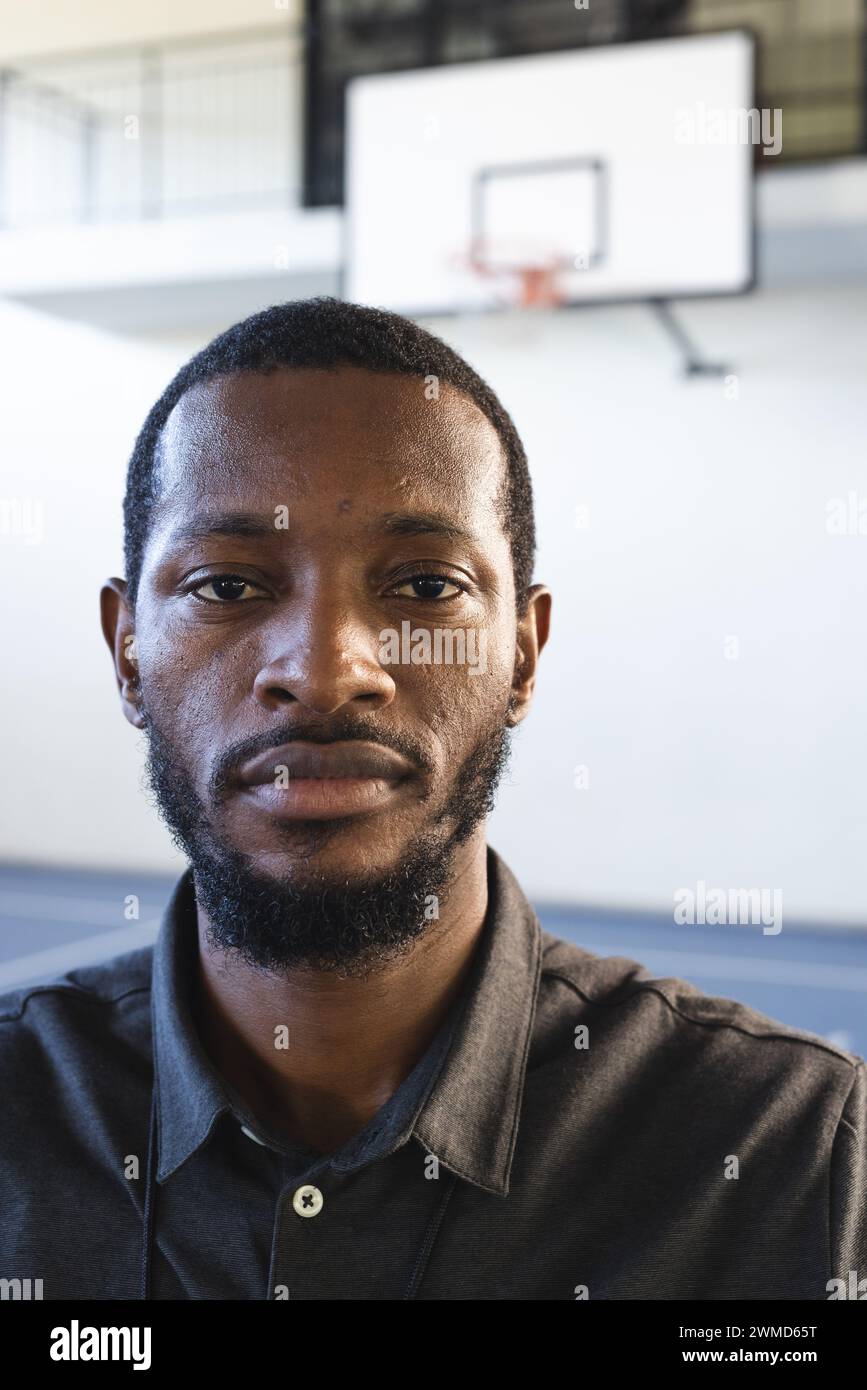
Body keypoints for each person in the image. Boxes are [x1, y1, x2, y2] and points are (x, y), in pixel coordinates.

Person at [1, 298, 864, 1300]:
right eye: (229, 588)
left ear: (524, 654)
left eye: (423, 585)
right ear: (129, 654)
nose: (327, 673)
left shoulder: (794, 1155)